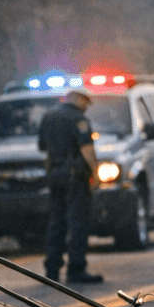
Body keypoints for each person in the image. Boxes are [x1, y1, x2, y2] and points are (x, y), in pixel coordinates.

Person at [38, 89, 103, 285]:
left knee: (56, 220)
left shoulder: (48, 116)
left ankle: (52, 269)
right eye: (85, 101)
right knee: (78, 221)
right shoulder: (78, 118)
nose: (86, 107)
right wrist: (95, 173)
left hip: (54, 175)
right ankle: (76, 269)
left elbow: (42, 146)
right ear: (76, 98)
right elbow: (86, 148)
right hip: (75, 176)